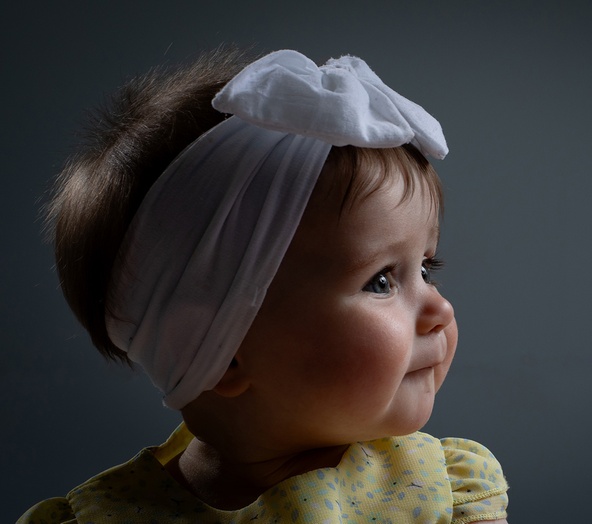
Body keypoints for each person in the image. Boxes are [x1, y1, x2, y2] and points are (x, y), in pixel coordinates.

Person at [18, 47, 508, 523]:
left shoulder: (444, 493)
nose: (439, 308)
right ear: (222, 352)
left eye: (426, 268)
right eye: (380, 281)